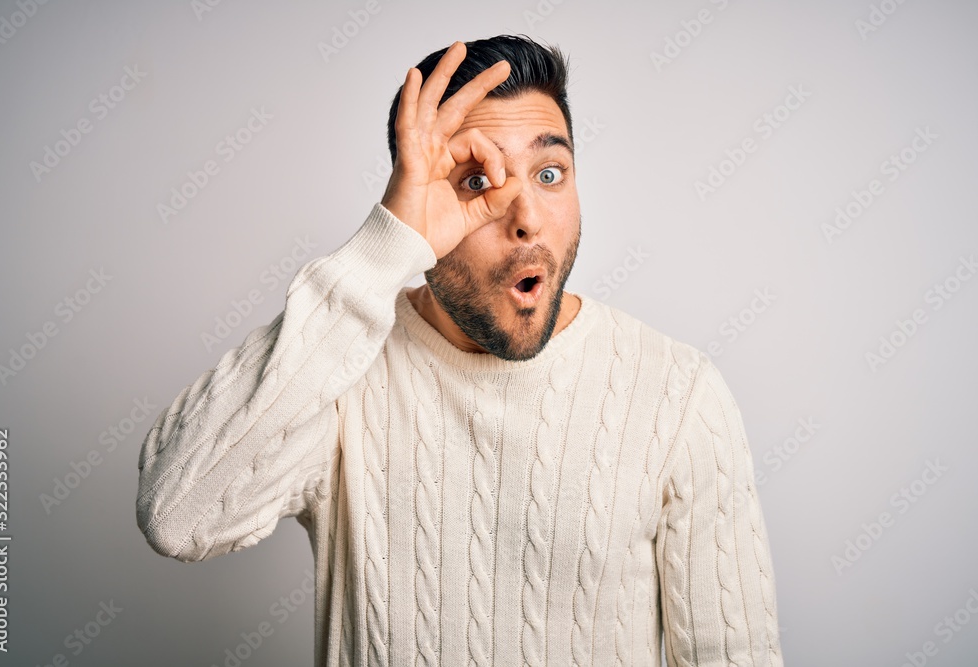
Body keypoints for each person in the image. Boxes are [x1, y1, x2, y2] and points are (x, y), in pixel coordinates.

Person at [136, 34, 784, 666]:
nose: (526, 214)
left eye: (550, 172)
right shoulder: (345, 371)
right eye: (476, 181)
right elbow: (177, 513)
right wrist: (384, 246)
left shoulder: (677, 393)